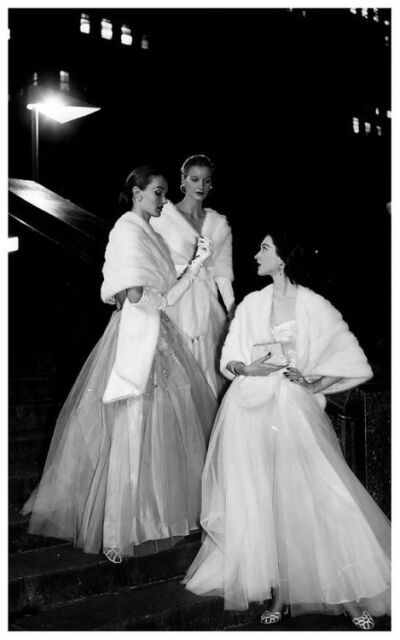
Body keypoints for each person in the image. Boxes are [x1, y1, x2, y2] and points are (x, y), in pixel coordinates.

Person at [183, 229, 391, 630]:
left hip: (294, 413)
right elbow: (230, 360)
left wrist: (312, 383)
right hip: (248, 412)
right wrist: (250, 368)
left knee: (319, 497)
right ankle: (280, 592)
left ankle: (346, 595)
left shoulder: (314, 305)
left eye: (264, 248)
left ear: (282, 258)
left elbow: (354, 365)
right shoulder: (251, 303)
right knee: (266, 501)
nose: (256, 254)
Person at [21, 166, 218, 563]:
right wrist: (172, 289)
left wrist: (193, 267)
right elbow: (133, 294)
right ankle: (116, 530)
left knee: (158, 429)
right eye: (158, 193)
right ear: (136, 192)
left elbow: (157, 288)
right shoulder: (127, 230)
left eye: (164, 193)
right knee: (129, 430)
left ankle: (150, 518)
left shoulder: (148, 233)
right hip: (135, 338)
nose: (164, 200)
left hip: (157, 336)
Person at [150, 154, 235, 397]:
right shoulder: (163, 217)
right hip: (174, 302)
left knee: (207, 373)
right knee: (175, 379)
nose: (200, 186)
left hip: (208, 309)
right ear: (183, 181)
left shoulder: (218, 224)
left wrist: (231, 308)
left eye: (206, 181)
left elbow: (222, 272)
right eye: (195, 179)